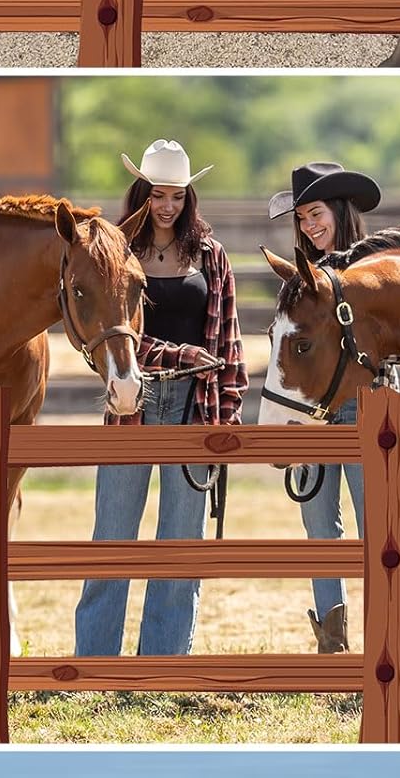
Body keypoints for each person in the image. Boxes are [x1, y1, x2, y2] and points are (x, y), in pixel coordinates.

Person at [75, 139, 248, 658]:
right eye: (157, 195)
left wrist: (228, 416)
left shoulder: (211, 256)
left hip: (196, 404)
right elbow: (113, 332)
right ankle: (96, 663)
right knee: (112, 537)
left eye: (176, 195)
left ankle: (164, 662)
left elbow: (229, 342)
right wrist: (181, 354)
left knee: (181, 542)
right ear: (141, 194)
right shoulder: (118, 254)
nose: (167, 206)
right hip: (134, 399)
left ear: (188, 197)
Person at [266, 162, 383, 654]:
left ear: (338, 210)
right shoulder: (299, 281)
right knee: (319, 525)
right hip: (314, 410)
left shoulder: (375, 269)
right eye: (302, 219)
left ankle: (384, 633)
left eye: (316, 214)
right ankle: (332, 645)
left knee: (376, 523)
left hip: (363, 406)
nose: (309, 226)